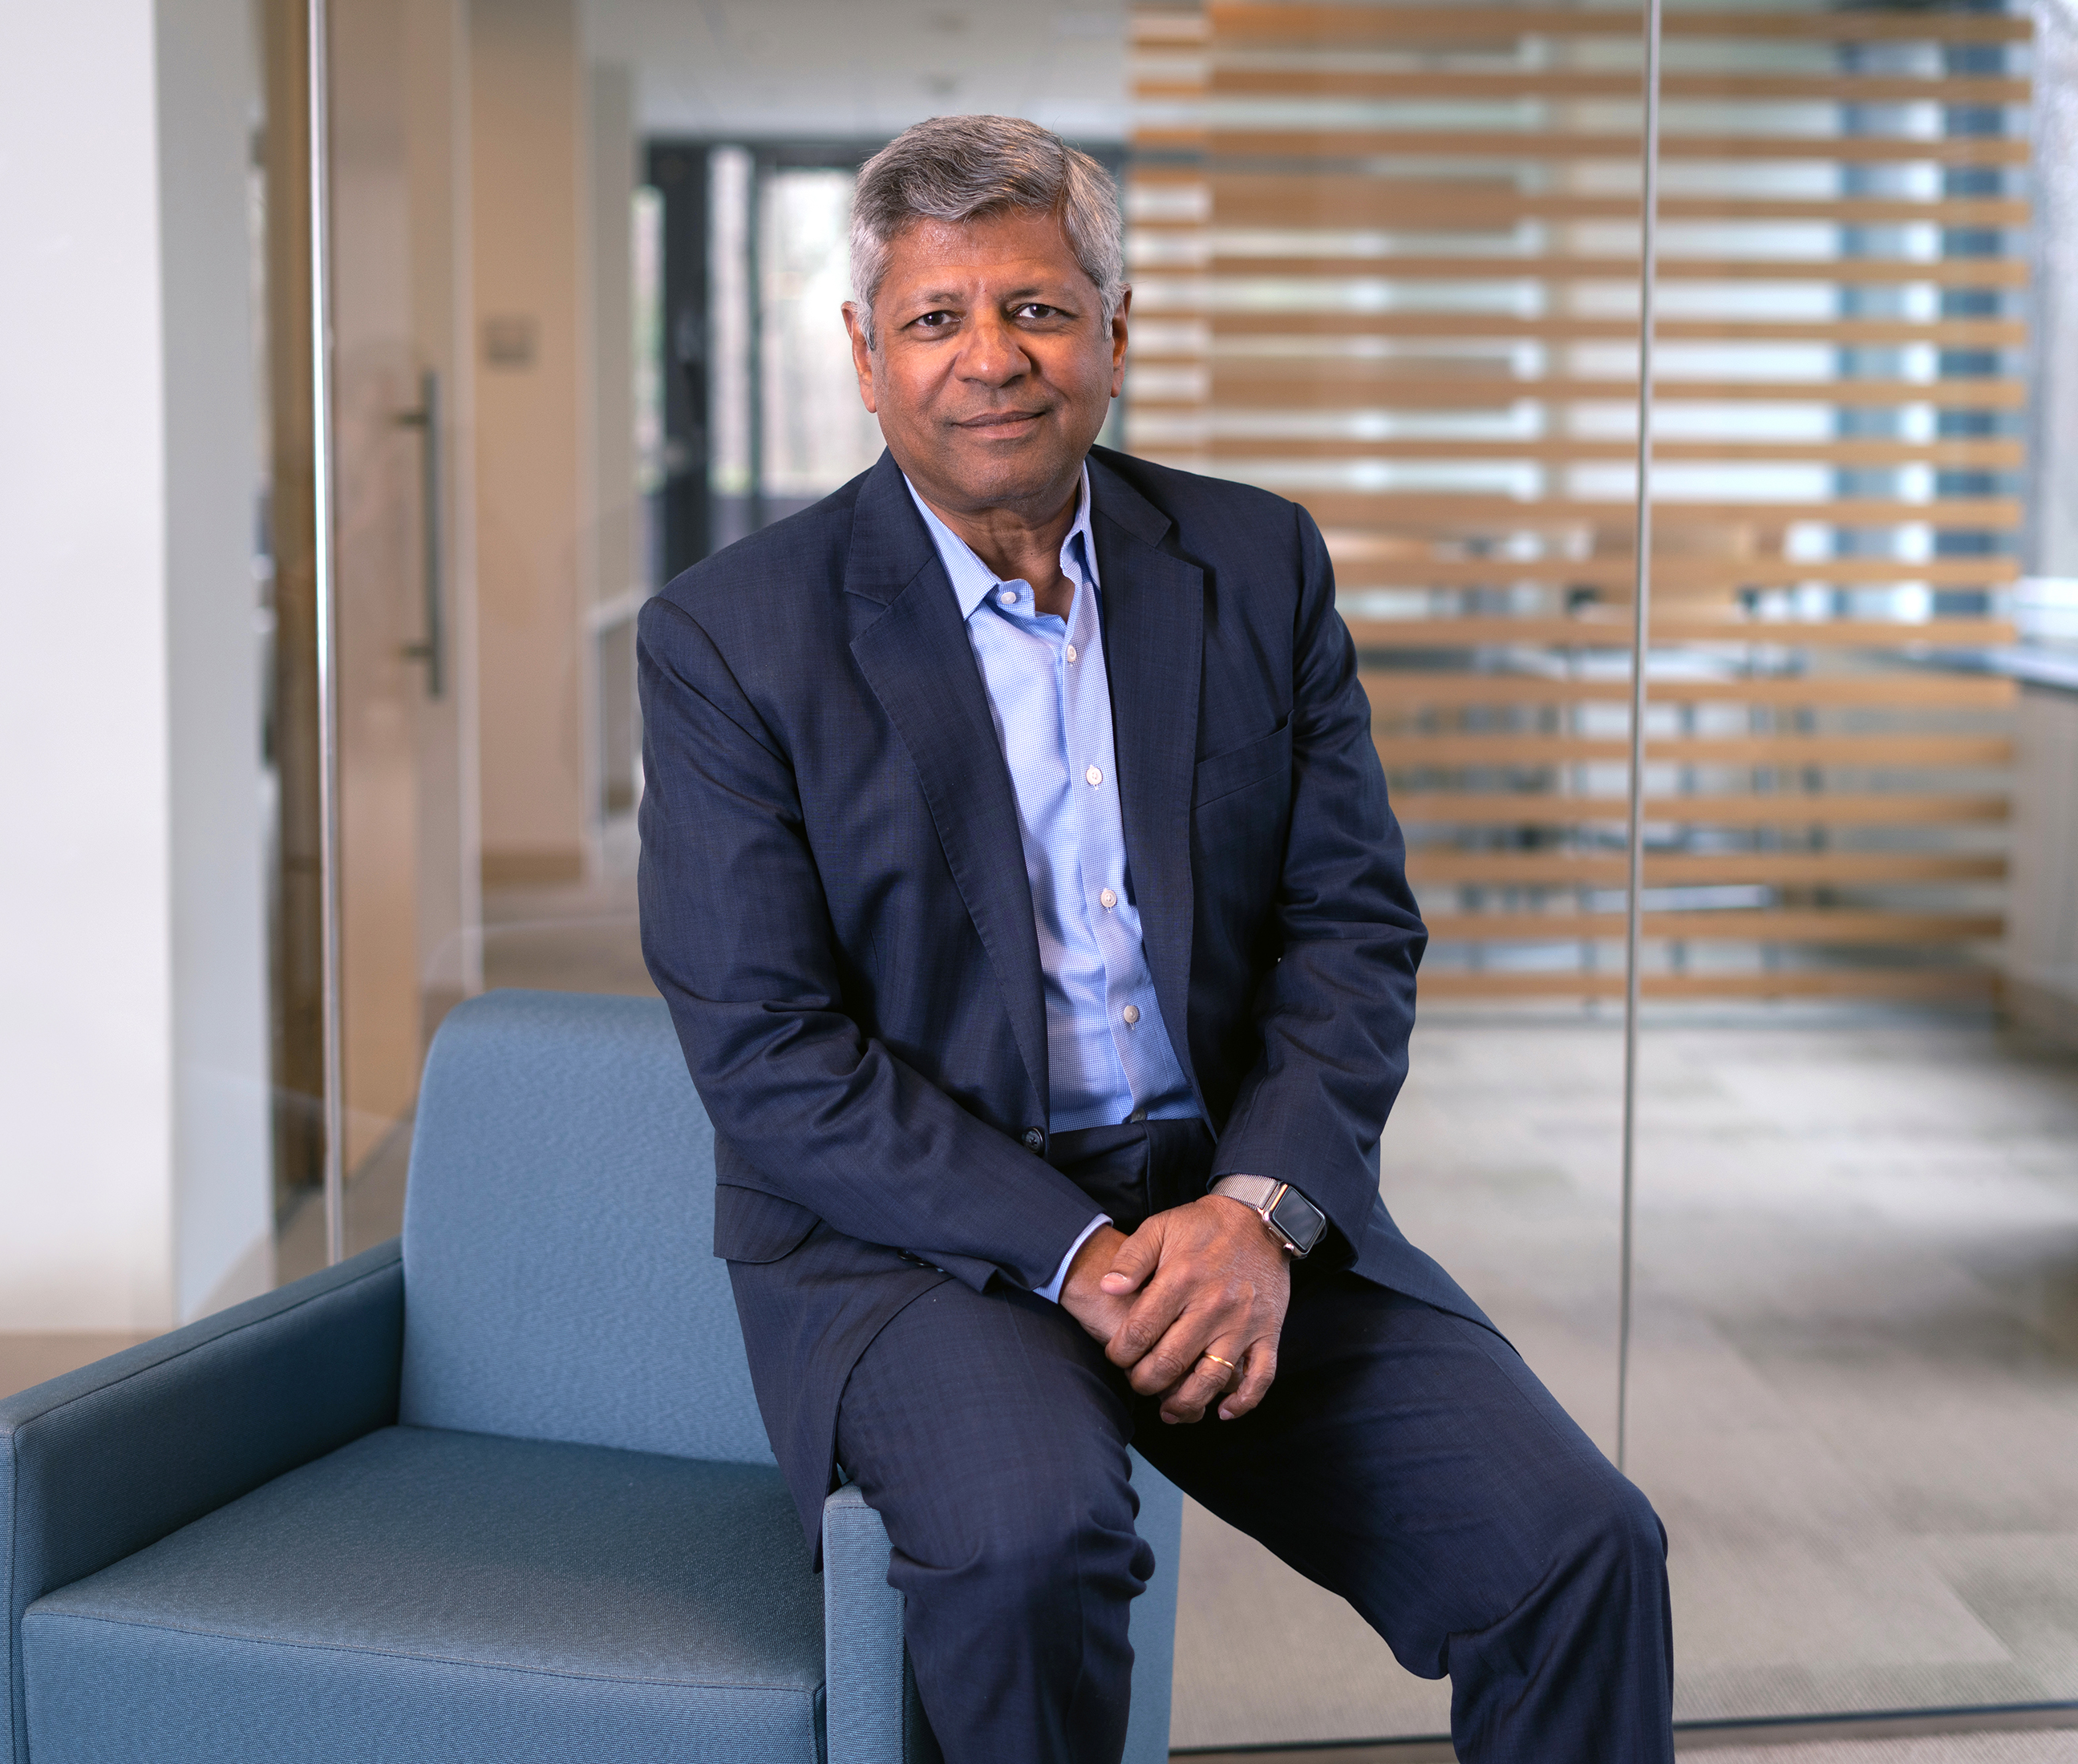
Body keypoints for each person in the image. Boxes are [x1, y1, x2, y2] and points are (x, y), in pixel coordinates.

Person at [638, 114, 1672, 1763]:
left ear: (1118, 327)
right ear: (863, 353)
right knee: (1031, 1545)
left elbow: (1351, 928)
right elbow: (770, 1051)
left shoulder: (1256, 564)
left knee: (1578, 1549)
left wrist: (1259, 1211)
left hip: (1227, 1198)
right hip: (920, 1245)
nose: (994, 358)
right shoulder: (732, 636)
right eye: (936, 317)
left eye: (1040, 308)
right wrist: (1075, 1251)